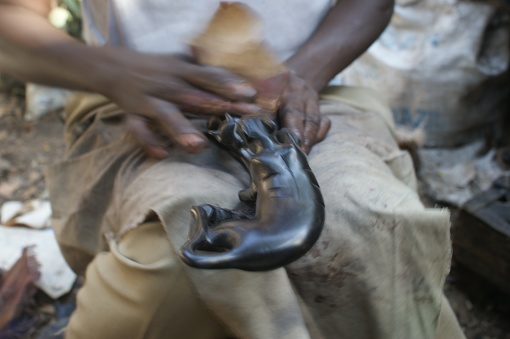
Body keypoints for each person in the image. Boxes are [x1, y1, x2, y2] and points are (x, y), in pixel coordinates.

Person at [0, 0, 466, 338]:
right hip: (131, 97)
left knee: (368, 223)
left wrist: (295, 77)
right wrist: (112, 70)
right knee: (175, 259)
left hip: (313, 89)